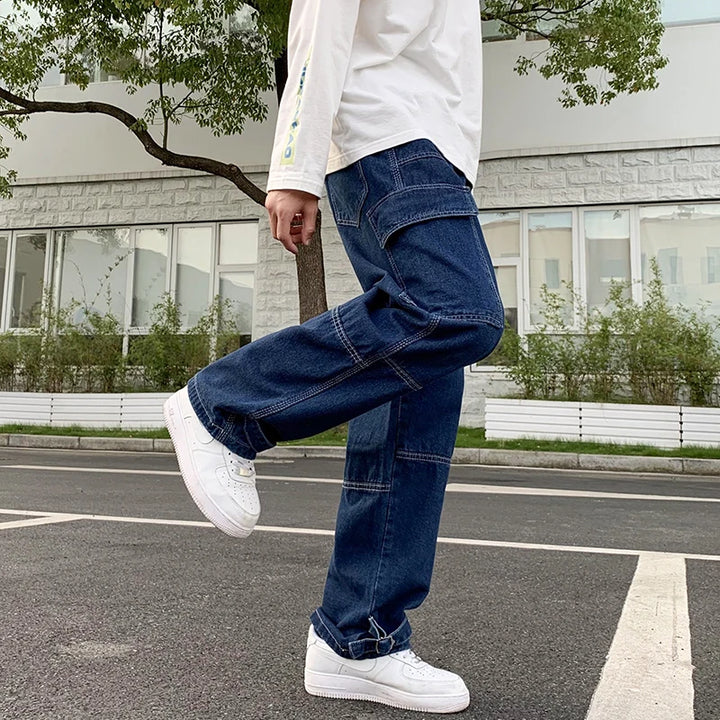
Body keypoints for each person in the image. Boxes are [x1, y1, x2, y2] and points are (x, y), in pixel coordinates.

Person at [163, 0, 503, 713]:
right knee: (457, 312)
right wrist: (295, 164)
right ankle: (226, 406)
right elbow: (321, 16)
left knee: (421, 391)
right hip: (393, 137)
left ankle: (360, 636)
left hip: (427, 146)